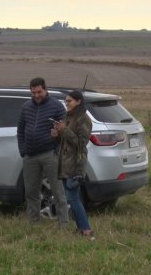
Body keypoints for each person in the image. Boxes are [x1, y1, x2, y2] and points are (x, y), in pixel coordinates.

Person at [17, 77, 69, 225]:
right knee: (31, 191)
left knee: (57, 191)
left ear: (45, 89)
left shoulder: (56, 106)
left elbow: (65, 128)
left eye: (39, 91)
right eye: (33, 92)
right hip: (30, 156)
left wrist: (57, 140)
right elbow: (20, 130)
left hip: (49, 154)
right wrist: (23, 150)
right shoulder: (26, 107)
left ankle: (63, 222)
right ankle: (34, 221)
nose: (36, 95)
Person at [52, 90, 94, 240]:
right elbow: (66, 142)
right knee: (72, 198)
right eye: (66, 101)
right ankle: (80, 229)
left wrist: (65, 131)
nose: (66, 103)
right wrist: (57, 135)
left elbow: (81, 144)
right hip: (65, 164)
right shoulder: (68, 117)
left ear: (78, 101)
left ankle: (87, 230)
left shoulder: (84, 119)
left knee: (73, 198)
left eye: (69, 101)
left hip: (76, 164)